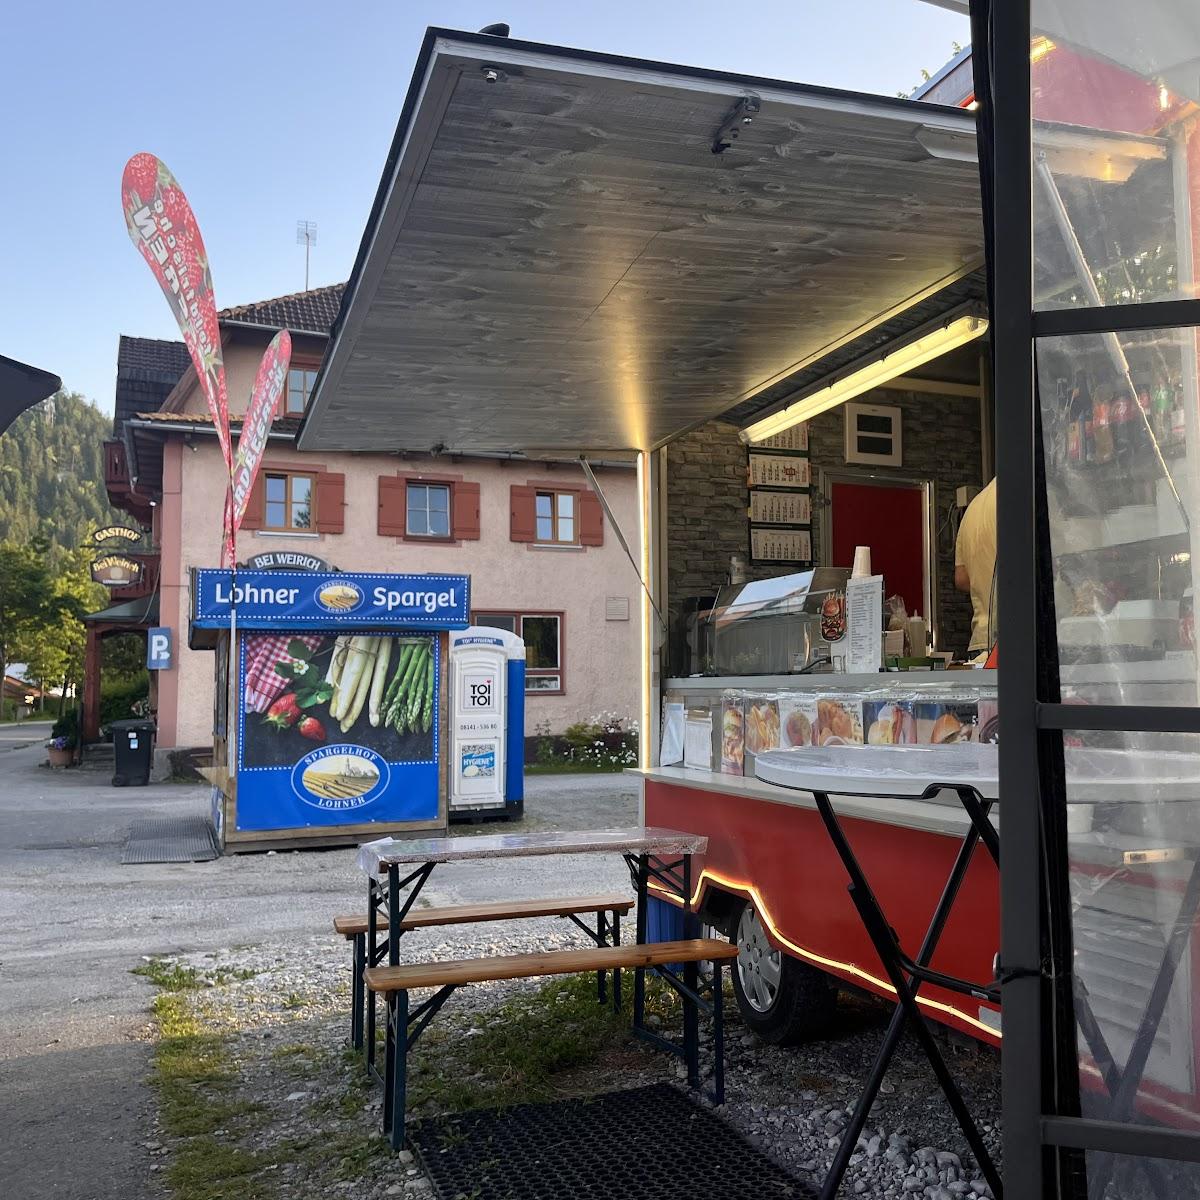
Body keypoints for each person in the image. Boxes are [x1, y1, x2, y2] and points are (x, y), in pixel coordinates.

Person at [954, 477, 997, 658]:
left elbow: (962, 578)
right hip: (1020, 639)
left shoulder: (974, 506)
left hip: (981, 641)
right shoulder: (1028, 495)